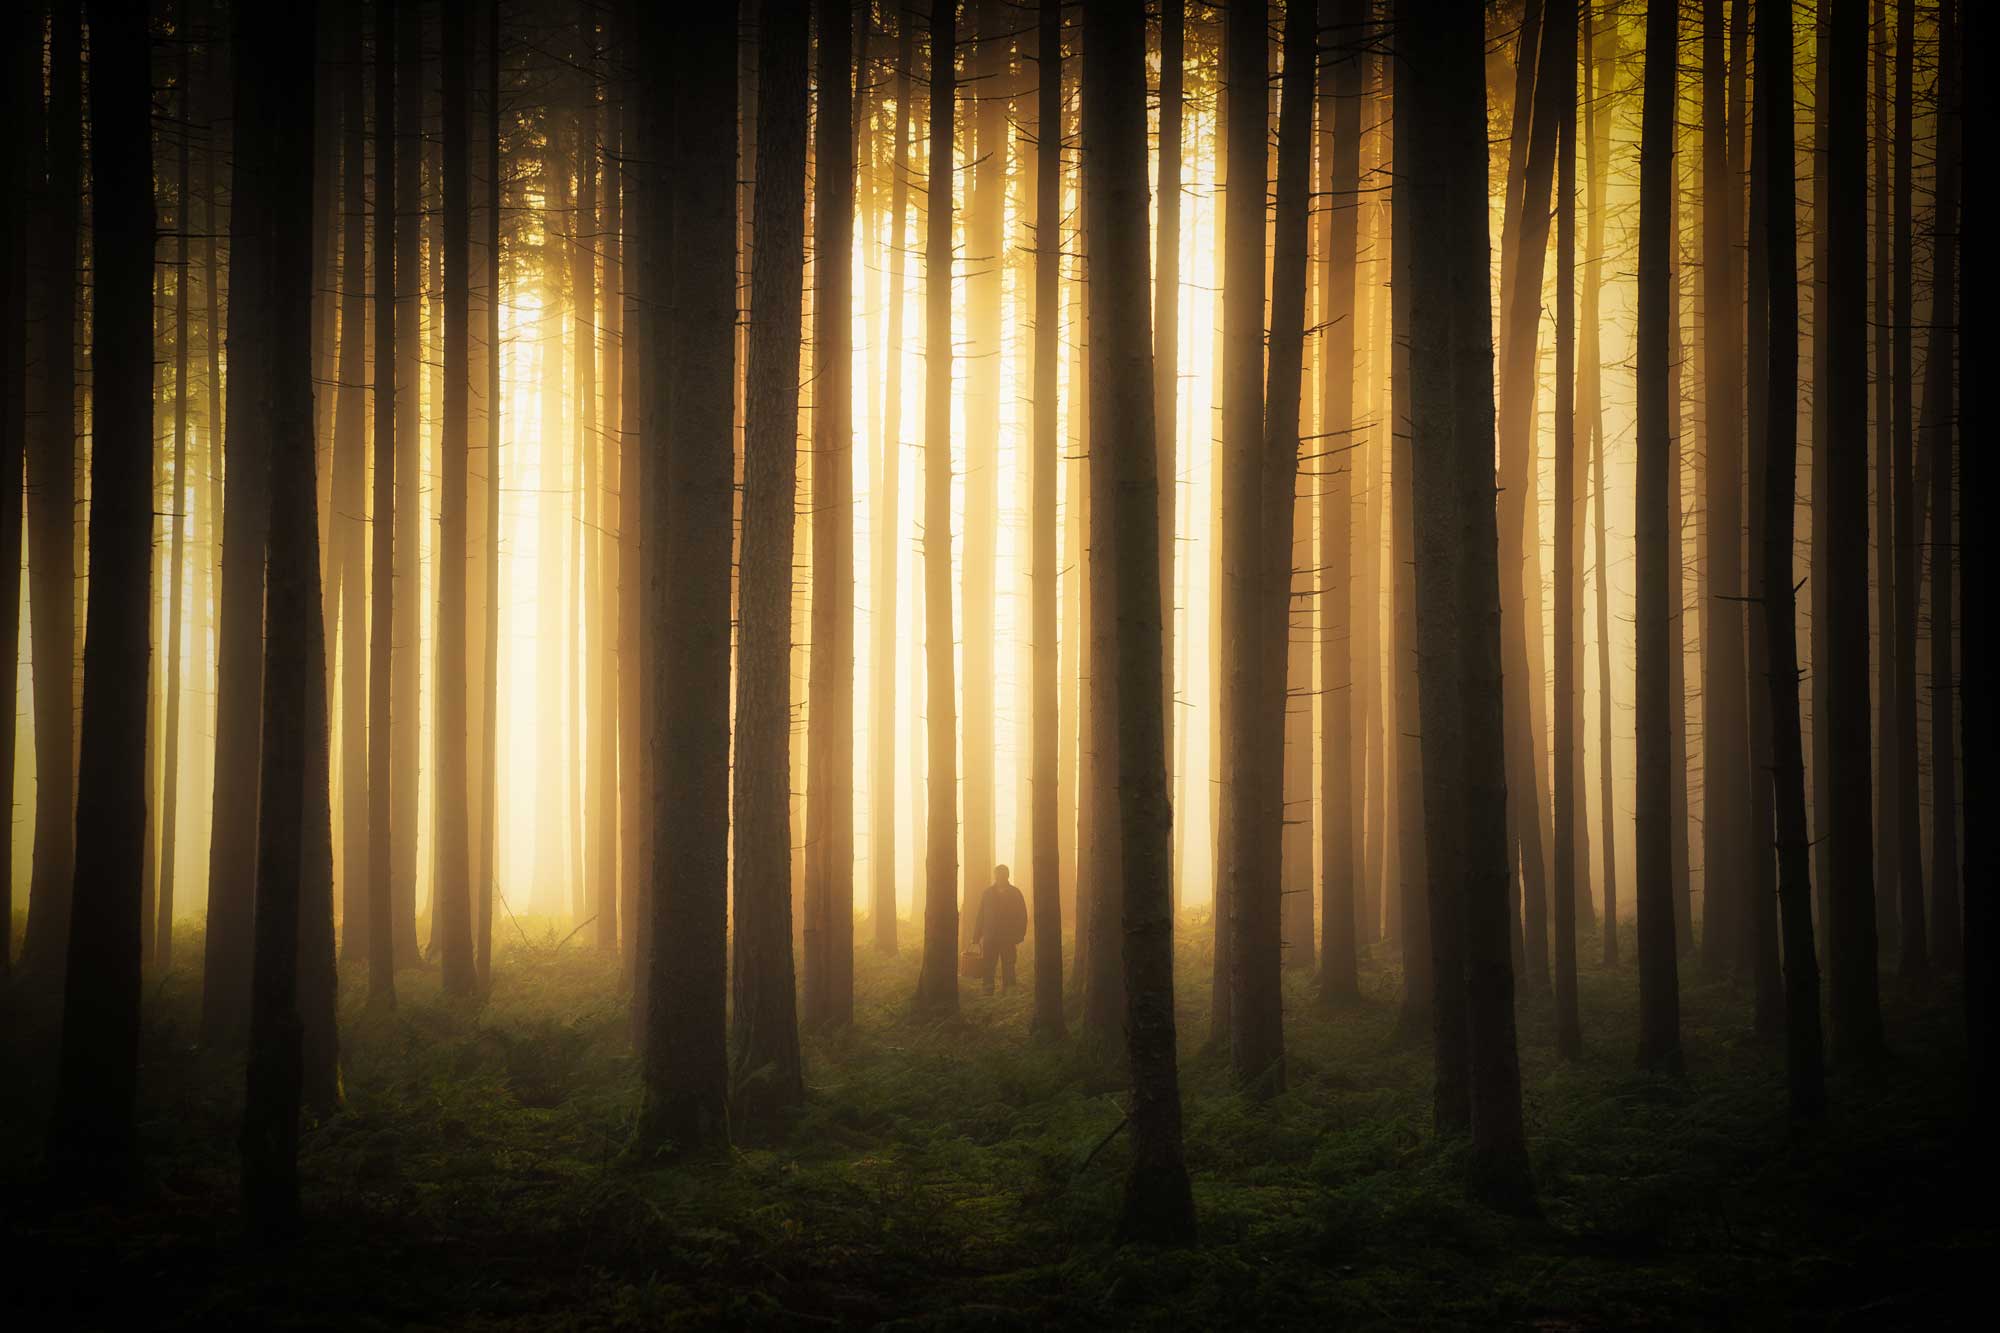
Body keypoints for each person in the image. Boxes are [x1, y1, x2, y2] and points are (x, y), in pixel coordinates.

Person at [972, 865, 1029, 995]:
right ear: (995, 876)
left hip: (1008, 937)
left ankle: (1009, 990)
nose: (999, 877)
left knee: (1009, 964)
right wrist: (976, 936)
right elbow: (981, 915)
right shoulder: (987, 893)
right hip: (990, 936)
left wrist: (1019, 935)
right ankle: (988, 989)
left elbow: (1022, 915)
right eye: (997, 875)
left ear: (1007, 876)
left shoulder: (1015, 893)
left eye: (1002, 875)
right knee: (988, 964)